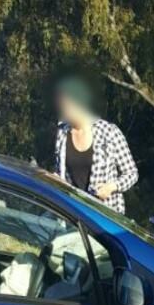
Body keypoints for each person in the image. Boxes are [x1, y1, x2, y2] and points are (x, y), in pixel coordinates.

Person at [53, 76, 138, 214]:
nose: (64, 111)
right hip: (73, 214)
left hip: (105, 217)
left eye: (67, 106)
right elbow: (61, 173)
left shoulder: (109, 132)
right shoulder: (62, 133)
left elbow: (132, 173)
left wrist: (112, 186)